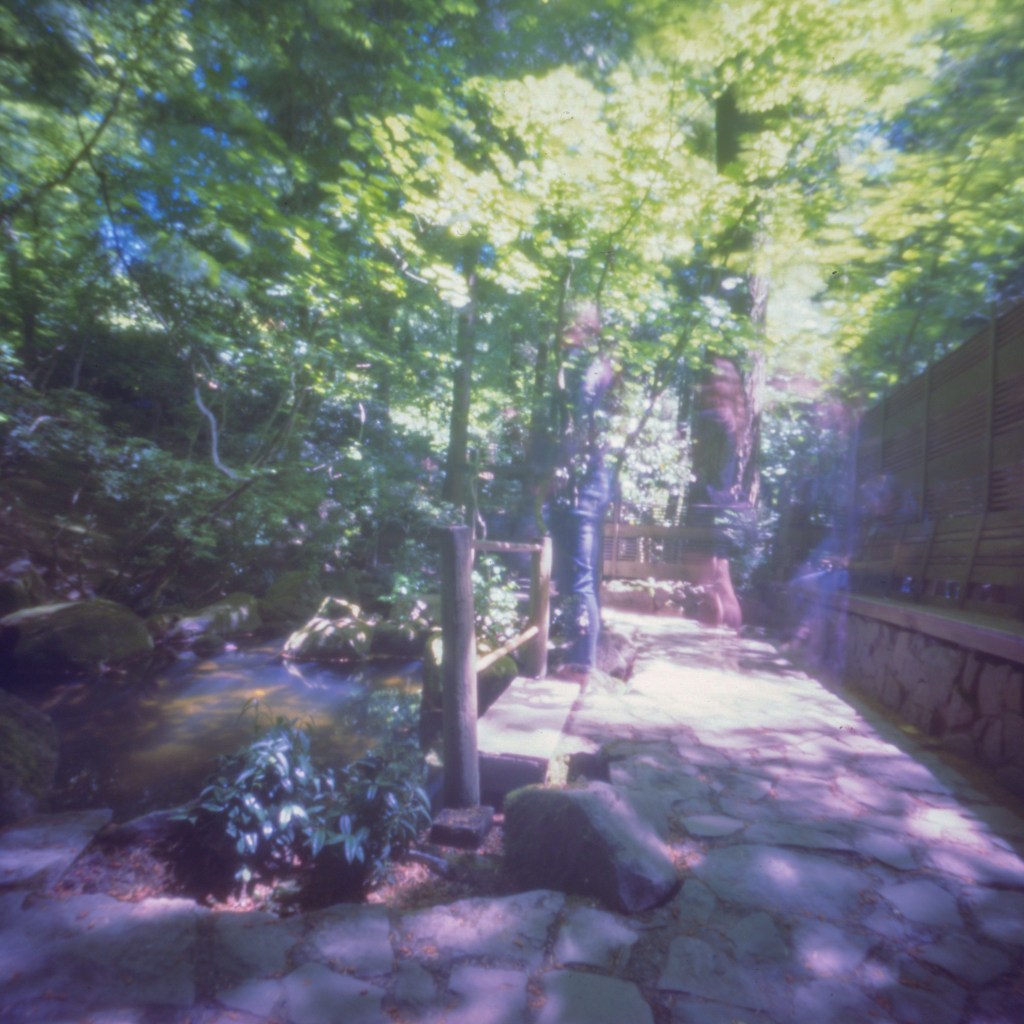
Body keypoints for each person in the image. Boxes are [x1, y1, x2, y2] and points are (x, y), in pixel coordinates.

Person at [547, 306, 619, 668]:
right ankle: (573, 657)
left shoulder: (587, 368)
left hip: (583, 485)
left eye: (570, 324)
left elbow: (580, 424)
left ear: (585, 329)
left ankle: (581, 667)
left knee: (579, 579)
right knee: (567, 574)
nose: (565, 331)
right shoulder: (584, 365)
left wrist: (553, 470)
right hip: (579, 483)